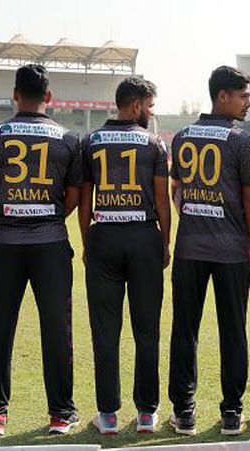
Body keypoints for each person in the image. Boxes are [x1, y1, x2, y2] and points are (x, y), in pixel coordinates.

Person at [0, 64, 83, 436]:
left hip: (5, 243)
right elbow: (73, 197)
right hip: (51, 244)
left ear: (15, 94)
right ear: (49, 98)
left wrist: (10, 214)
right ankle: (61, 413)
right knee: (57, 328)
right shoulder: (69, 138)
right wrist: (47, 216)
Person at [168, 65, 250, 436]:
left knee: (184, 330)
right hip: (232, 249)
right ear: (223, 96)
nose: (248, 103)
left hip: (190, 245)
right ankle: (232, 413)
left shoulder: (183, 136)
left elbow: (175, 190)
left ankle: (184, 412)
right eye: (243, 96)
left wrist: (190, 213)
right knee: (233, 331)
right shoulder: (241, 141)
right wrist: (249, 243)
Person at [78, 76, 171, 435]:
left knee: (105, 330)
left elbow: (86, 199)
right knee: (146, 329)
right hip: (144, 236)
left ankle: (109, 416)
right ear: (135, 105)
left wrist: (88, 241)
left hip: (104, 237)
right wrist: (165, 242)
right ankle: (147, 414)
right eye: (149, 105)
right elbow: (161, 200)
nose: (151, 112)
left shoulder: (91, 141)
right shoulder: (154, 143)